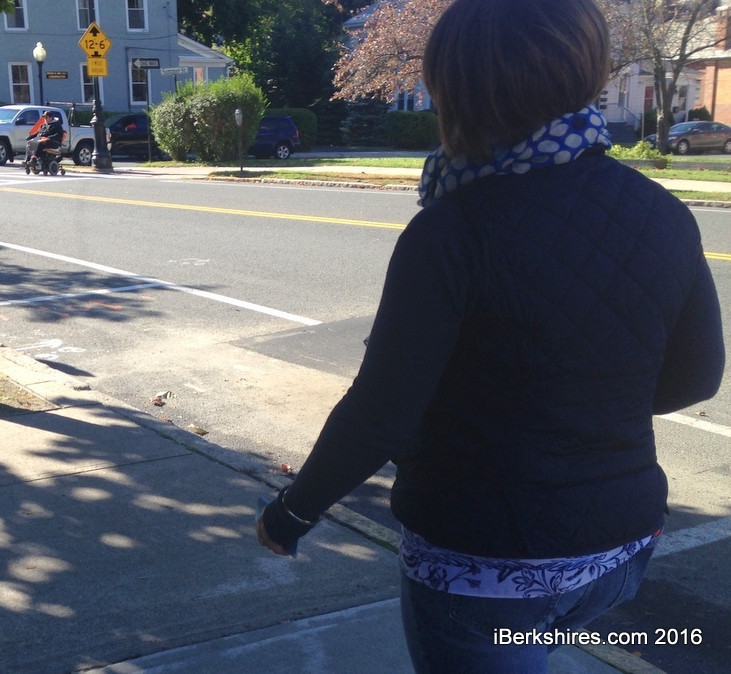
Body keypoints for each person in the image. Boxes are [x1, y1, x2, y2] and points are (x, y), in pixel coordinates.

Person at [255, 1, 724, 672]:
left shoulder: (451, 232)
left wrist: (292, 514)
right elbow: (697, 376)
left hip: (485, 567)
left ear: (458, 89)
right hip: (622, 551)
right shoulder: (663, 210)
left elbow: (381, 414)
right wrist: (581, 406)